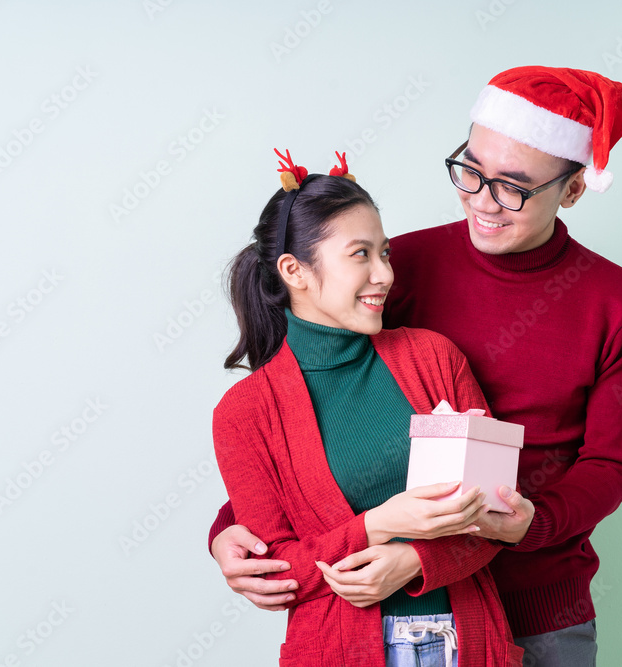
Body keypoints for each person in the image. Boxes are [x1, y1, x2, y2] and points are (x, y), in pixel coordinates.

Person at [210, 67, 622, 666]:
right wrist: (231, 527)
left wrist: (526, 523)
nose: (482, 201)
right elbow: (310, 406)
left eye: (513, 188)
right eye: (470, 171)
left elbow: (609, 465)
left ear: (572, 190)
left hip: (536, 605)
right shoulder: (403, 267)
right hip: (381, 610)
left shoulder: (619, 304)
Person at [211, 150, 526, 666]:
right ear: (295, 270)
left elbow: (495, 518)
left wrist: (415, 558)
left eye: (386, 253)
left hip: (468, 642)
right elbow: (275, 572)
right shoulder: (245, 412)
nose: (384, 275)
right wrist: (377, 525)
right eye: (361, 254)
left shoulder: (433, 358)